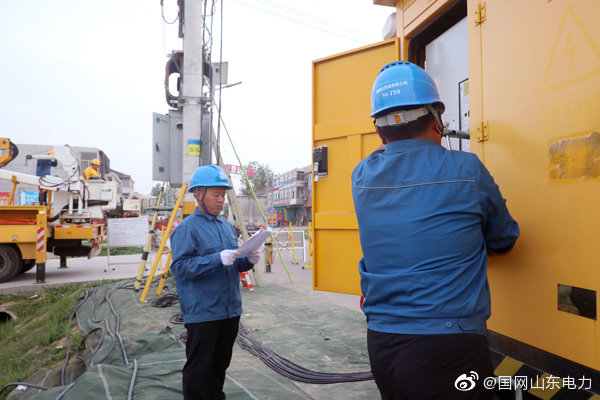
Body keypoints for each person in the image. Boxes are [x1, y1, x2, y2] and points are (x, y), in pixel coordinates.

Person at [351, 61, 520, 400]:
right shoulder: (467, 169)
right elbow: (504, 239)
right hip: (449, 344)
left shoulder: (362, 176)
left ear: (380, 132)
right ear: (436, 121)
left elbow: (385, 152)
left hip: (382, 342)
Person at [170, 165, 261, 400]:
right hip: (204, 313)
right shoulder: (187, 229)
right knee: (199, 371)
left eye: (223, 195)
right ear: (198, 194)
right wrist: (216, 259)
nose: (221, 200)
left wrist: (248, 260)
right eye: (216, 195)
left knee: (219, 366)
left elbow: (233, 263)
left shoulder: (226, 227)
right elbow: (180, 268)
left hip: (229, 311)